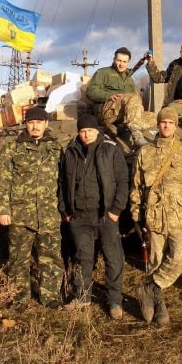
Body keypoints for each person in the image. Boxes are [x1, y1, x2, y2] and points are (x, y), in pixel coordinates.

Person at [130, 107, 182, 325]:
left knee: (180, 259)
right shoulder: (145, 152)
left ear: (175, 125)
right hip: (153, 215)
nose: (166, 126)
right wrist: (135, 215)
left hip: (179, 215)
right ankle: (158, 303)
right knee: (155, 261)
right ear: (158, 124)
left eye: (171, 123)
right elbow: (136, 187)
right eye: (163, 122)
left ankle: (148, 286)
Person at [59, 114, 129, 319]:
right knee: (82, 257)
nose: (86, 134)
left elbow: (123, 181)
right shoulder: (71, 151)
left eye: (89, 130)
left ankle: (114, 299)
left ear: (97, 131)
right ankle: (83, 296)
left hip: (105, 215)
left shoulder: (110, 149)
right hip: (79, 216)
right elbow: (63, 182)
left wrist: (116, 210)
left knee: (113, 258)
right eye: (82, 131)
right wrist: (65, 211)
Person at [0, 107, 65, 309]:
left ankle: (50, 296)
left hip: (49, 213)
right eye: (31, 122)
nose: (35, 126)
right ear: (26, 124)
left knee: (50, 258)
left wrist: (65, 208)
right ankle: (19, 297)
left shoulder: (56, 148)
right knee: (18, 260)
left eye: (39, 122)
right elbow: (1, 180)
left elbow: (65, 181)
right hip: (20, 214)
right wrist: (2, 210)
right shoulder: (12, 148)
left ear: (46, 124)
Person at [86, 47, 147, 147]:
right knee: (132, 98)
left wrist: (139, 106)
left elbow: (136, 96)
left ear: (128, 63)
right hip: (107, 111)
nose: (121, 64)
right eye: (119, 60)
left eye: (124, 61)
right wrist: (109, 96)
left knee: (153, 117)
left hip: (122, 115)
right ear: (114, 59)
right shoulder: (103, 73)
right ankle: (137, 136)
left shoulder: (129, 78)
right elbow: (90, 91)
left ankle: (120, 128)